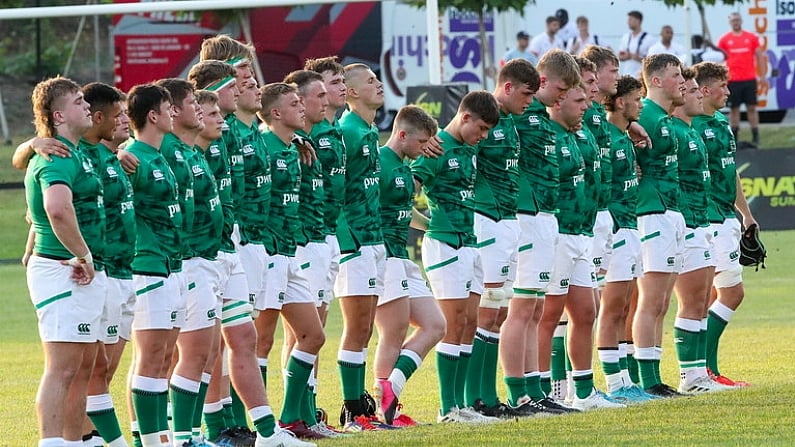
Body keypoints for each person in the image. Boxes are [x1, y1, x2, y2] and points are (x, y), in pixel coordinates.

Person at [409, 91, 501, 424]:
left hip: (471, 243)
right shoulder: (435, 148)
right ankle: (447, 408)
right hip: (445, 244)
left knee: (469, 323)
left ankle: (464, 405)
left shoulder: (470, 148)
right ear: (464, 118)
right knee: (452, 323)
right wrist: (425, 222)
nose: (484, 136)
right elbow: (404, 190)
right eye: (482, 128)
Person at [24, 76, 105, 447]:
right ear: (58, 115)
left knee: (83, 367)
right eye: (77, 101)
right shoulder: (53, 156)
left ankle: (77, 442)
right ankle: (52, 442)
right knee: (63, 368)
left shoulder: (77, 152)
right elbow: (56, 210)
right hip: (63, 270)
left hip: (79, 271)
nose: (86, 105)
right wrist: (83, 254)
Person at [466, 59, 540, 419]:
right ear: (507, 87)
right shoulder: (482, 115)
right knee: (486, 312)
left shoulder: (510, 121)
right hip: (486, 220)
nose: (530, 101)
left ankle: (488, 397)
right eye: (526, 94)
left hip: (507, 221)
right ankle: (473, 397)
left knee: (498, 312)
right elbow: (455, 150)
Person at [507, 49, 580, 410]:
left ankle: (536, 390)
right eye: (562, 89)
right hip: (527, 216)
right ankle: (519, 393)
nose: (564, 97)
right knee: (522, 309)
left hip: (545, 216)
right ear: (544, 81)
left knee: (536, 309)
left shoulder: (543, 116)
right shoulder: (520, 113)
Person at [256, 82, 328, 440]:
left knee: (313, 335)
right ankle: (257, 426)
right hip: (267, 254)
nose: (302, 108)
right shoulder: (262, 146)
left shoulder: (293, 147)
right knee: (260, 342)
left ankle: (289, 419)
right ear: (275, 113)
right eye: (294, 103)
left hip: (291, 251)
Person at [372, 105, 445, 426]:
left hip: (402, 257)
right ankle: (383, 410)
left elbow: (402, 208)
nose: (424, 149)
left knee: (435, 325)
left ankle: (392, 391)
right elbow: (363, 208)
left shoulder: (404, 164)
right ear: (401, 135)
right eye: (421, 142)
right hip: (383, 258)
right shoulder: (377, 163)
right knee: (393, 331)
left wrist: (429, 225)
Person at [124, 83, 184, 447]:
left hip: (170, 264)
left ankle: (160, 436)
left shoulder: (157, 154)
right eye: (168, 107)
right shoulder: (132, 156)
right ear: (153, 115)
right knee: (151, 357)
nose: (174, 113)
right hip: (147, 266)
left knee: (163, 358)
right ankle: (147, 440)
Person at [691, 61, 756, 388]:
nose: (729, 91)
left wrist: (745, 214)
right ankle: (705, 371)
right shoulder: (692, 126)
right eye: (723, 86)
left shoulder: (719, 123)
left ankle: (705, 371)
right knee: (724, 293)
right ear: (704, 89)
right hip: (708, 220)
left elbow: (731, 173)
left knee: (722, 293)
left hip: (726, 217)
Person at [334, 63, 390, 431]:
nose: (379, 84)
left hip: (373, 239)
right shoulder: (347, 132)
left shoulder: (368, 130)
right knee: (356, 327)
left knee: (367, 326)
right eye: (370, 81)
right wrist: (347, 243)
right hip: (354, 241)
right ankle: (353, 409)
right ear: (351, 93)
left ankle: (362, 408)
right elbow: (334, 193)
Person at [599, 74, 655, 402]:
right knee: (612, 307)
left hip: (630, 225)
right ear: (621, 102)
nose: (641, 104)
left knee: (625, 308)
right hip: (616, 226)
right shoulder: (606, 136)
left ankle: (626, 378)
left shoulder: (622, 136)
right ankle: (615, 382)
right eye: (637, 98)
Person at [633, 53, 686, 398]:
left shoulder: (665, 118)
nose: (683, 81)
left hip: (671, 210)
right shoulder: (646, 116)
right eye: (676, 75)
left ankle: (655, 374)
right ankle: (646, 377)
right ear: (655, 81)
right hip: (652, 212)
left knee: (664, 301)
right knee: (650, 300)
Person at [303, 55, 348, 425]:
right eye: (332, 83)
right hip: (308, 238)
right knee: (307, 331)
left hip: (328, 235)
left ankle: (311, 407)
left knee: (317, 327)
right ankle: (301, 411)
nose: (339, 89)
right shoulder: (308, 134)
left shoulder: (334, 132)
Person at [717, 12, 764, 147]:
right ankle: (735, 138)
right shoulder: (724, 39)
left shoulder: (751, 37)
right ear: (730, 22)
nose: (736, 22)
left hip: (749, 79)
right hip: (733, 80)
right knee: (734, 109)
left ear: (741, 21)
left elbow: (760, 56)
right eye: (733, 20)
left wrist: (762, 77)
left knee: (752, 108)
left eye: (737, 20)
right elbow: (718, 58)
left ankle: (755, 137)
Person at [618, 10, 653, 78]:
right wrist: (628, 56)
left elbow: (652, 60)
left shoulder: (648, 38)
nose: (628, 22)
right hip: (627, 75)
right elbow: (620, 56)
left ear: (638, 21)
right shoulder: (626, 37)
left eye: (630, 20)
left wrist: (638, 58)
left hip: (641, 76)